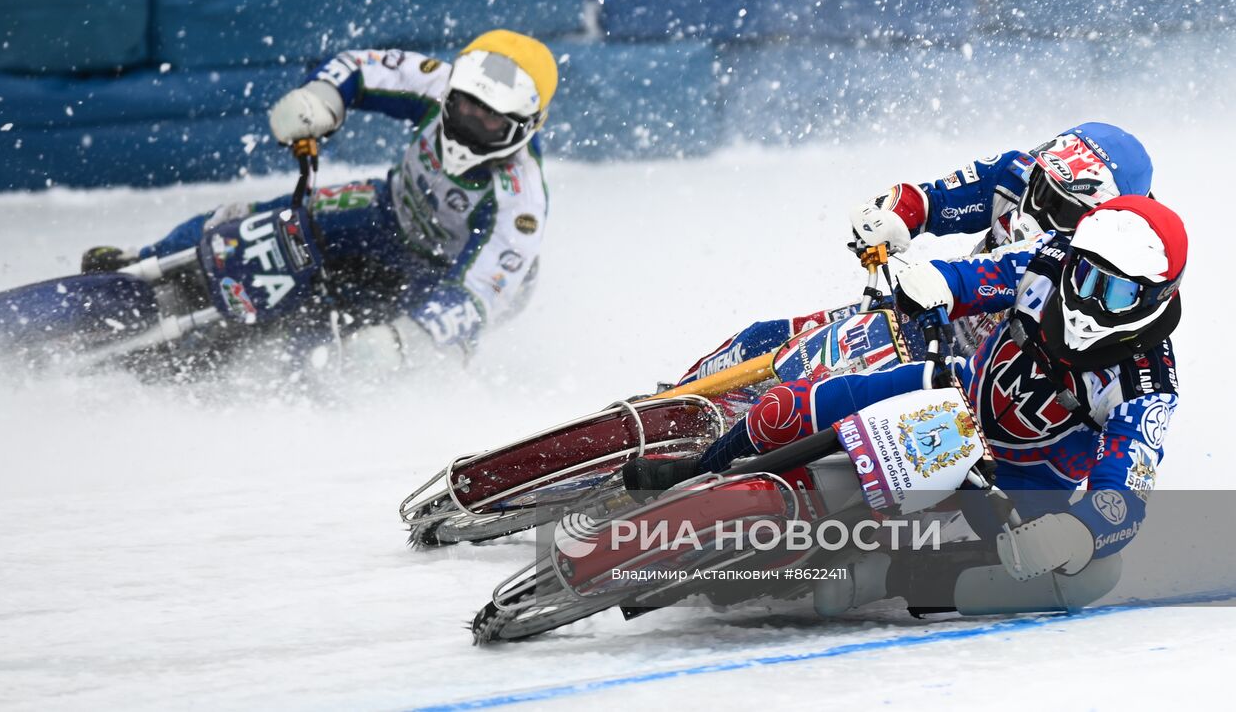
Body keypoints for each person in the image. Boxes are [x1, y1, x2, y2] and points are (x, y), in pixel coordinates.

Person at [630, 195, 1186, 616]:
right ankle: (698, 470)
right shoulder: (1048, 259)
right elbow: (965, 278)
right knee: (790, 405)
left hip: (1013, 488)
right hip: (953, 392)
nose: (1084, 297)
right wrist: (930, 283)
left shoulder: (1149, 383)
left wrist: (1079, 532)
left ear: (1152, 298)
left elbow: (1124, 496)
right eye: (1082, 274)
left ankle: (891, 578)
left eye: (1111, 293)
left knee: (1093, 575)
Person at [82, 30, 558, 371]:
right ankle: (148, 261)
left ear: (525, 127)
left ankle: (260, 373)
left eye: (490, 121)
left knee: (346, 350)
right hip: (389, 210)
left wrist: (406, 338)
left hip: (444, 276)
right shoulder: (440, 82)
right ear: (453, 89)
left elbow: (478, 297)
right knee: (258, 217)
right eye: (464, 107)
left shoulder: (521, 202)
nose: (469, 124)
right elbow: (360, 66)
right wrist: (321, 98)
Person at [676, 122, 1154, 384]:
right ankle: (667, 406)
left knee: (823, 397)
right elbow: (933, 200)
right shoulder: (1014, 172)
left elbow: (1004, 275)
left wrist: (945, 280)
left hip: (987, 381)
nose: (1039, 208)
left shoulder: (1107, 267)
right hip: (921, 320)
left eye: (1065, 206)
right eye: (1044, 187)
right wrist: (893, 214)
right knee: (764, 340)